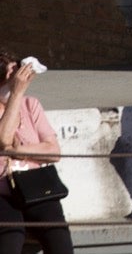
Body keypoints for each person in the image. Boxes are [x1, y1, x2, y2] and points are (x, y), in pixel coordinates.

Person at [0, 52, 72, 254]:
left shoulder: (31, 105)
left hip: (34, 188)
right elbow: (3, 140)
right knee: (11, 235)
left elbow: (53, 152)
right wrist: (15, 95)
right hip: (1, 192)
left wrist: (17, 151)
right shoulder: (18, 98)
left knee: (58, 234)